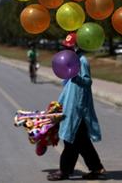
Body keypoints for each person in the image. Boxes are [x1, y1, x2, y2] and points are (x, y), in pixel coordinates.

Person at [47, 33, 105, 181]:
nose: (68, 50)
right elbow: (68, 88)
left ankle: (64, 171)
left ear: (77, 46)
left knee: (71, 141)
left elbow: (87, 82)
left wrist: (76, 77)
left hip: (78, 109)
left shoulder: (82, 62)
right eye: (66, 47)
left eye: (70, 46)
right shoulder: (72, 62)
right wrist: (59, 103)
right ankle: (97, 168)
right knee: (81, 142)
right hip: (71, 106)